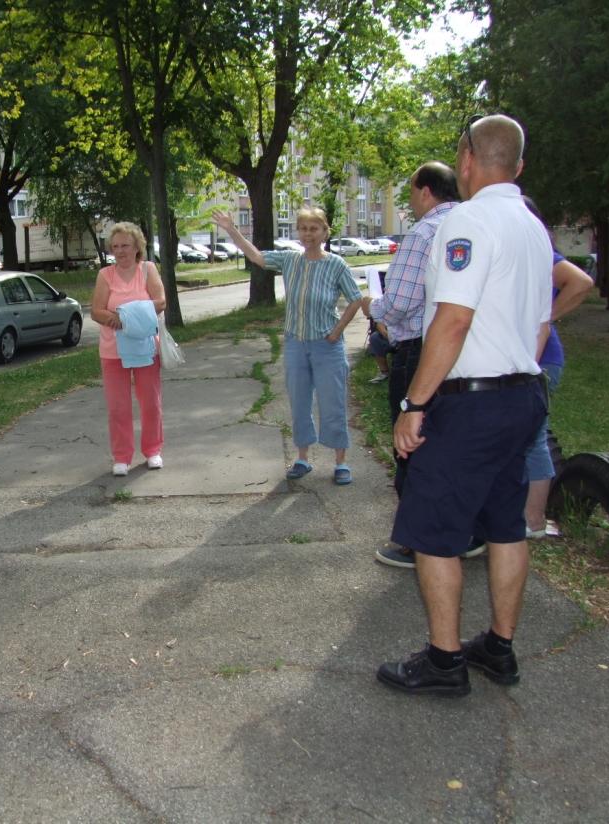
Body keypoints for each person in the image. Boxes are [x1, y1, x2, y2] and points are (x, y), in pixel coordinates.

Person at [376, 114, 552, 697]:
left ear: (467, 159)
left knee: (432, 532)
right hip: (522, 396)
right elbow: (542, 323)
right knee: (505, 525)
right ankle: (498, 648)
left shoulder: (469, 221)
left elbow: (452, 321)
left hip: (472, 406)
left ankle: (444, 662)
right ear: (518, 166)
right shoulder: (533, 227)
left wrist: (414, 402)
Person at [213, 207, 363, 485]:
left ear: (325, 232)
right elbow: (257, 257)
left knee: (333, 403)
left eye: (314, 228)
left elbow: (356, 298)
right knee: (299, 402)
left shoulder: (336, 264)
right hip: (296, 344)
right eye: (303, 228)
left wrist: (338, 329)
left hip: (327, 345)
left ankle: (340, 462)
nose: (308, 234)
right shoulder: (290, 260)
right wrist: (232, 230)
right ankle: (302, 458)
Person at [361, 162, 460, 567]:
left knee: (411, 444)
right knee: (453, 445)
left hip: (420, 351)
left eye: (411, 191)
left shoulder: (422, 233)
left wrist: (373, 306)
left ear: (425, 191)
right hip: (466, 356)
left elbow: (399, 302)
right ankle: (462, 532)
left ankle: (416, 542)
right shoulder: (471, 223)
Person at [520, 196, 594, 537]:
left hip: (541, 359)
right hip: (524, 357)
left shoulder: (540, 254)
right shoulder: (515, 255)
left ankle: (534, 520)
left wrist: (545, 317)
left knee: (534, 435)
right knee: (523, 435)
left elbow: (581, 282)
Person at [90, 222, 167, 476]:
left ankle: (153, 450)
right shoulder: (105, 274)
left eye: (125, 245)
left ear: (137, 247)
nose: (120, 251)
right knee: (118, 406)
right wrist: (123, 320)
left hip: (146, 349)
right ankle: (121, 456)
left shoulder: (148, 269)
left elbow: (160, 302)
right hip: (113, 351)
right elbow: (96, 311)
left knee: (151, 403)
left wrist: (126, 317)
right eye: (115, 246)